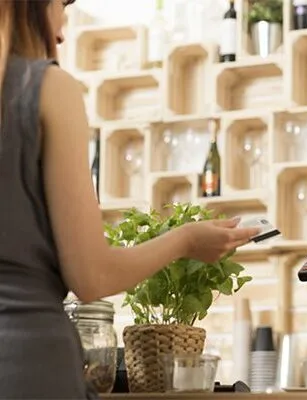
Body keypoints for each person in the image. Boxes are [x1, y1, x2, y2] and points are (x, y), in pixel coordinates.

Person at [0, 0, 261, 398]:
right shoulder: (47, 89)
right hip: (27, 363)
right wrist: (186, 240)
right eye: (61, 7)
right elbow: (92, 277)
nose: (62, 30)